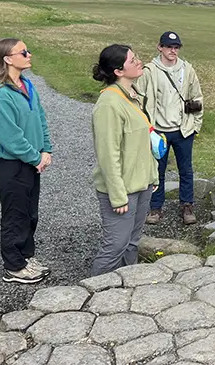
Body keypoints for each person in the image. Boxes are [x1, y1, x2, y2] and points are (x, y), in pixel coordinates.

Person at [0, 39, 53, 284]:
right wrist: (36, 157)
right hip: (11, 166)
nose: (29, 54)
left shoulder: (27, 85)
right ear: (7, 59)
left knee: (29, 213)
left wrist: (46, 149)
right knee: (15, 215)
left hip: (32, 162)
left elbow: (40, 119)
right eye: (23, 52)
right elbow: (10, 137)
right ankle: (14, 267)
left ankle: (26, 256)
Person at [90, 45, 159, 276]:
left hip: (142, 184)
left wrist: (153, 175)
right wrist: (118, 197)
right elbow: (108, 154)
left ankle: (127, 285)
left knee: (132, 242)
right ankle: (94, 293)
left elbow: (143, 141)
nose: (139, 61)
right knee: (116, 245)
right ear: (119, 71)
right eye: (132, 60)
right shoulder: (109, 104)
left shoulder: (132, 96)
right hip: (123, 190)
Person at [133, 31, 203, 226]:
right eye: (169, 46)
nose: (173, 51)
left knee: (186, 170)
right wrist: (145, 127)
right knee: (157, 171)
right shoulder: (149, 71)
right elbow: (138, 97)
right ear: (160, 47)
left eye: (176, 47)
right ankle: (155, 207)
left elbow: (197, 97)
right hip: (158, 130)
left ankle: (187, 205)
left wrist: (195, 125)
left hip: (183, 130)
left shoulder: (187, 69)